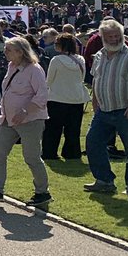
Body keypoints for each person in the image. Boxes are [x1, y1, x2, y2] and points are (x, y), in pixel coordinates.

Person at [0, 37, 51, 206]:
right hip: (8, 120)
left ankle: (42, 192)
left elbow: (42, 95)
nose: (5, 52)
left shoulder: (34, 69)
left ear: (20, 51)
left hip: (30, 120)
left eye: (9, 49)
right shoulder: (11, 67)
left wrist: (25, 111)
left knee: (31, 157)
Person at [83, 18, 128, 196]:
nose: (114, 39)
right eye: (110, 36)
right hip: (104, 110)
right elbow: (96, 81)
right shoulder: (99, 56)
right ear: (102, 37)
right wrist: (95, 103)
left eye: (117, 35)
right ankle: (104, 180)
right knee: (93, 143)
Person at [42, 33, 90, 161]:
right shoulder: (81, 60)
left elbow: (49, 80)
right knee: (73, 129)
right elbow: (82, 77)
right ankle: (72, 152)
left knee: (53, 128)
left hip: (57, 98)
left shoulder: (56, 60)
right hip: (76, 98)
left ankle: (49, 152)